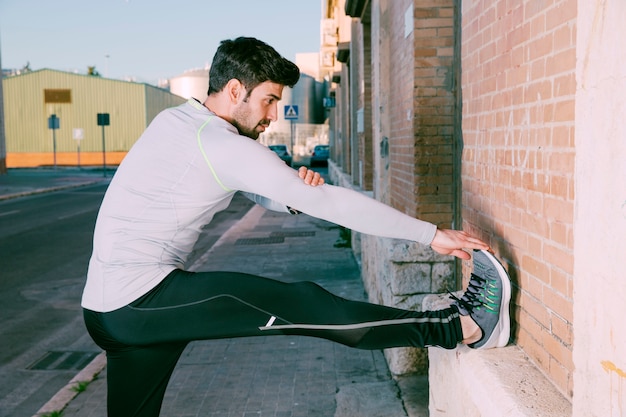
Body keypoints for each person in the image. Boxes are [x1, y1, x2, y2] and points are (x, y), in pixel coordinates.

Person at [82, 36, 511, 417]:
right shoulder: (221, 143)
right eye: (268, 99)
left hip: (105, 309)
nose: (272, 113)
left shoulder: (176, 123)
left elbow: (244, 185)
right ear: (235, 90)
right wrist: (431, 235)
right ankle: (461, 328)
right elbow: (328, 202)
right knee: (306, 306)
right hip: (140, 300)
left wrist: (288, 192)